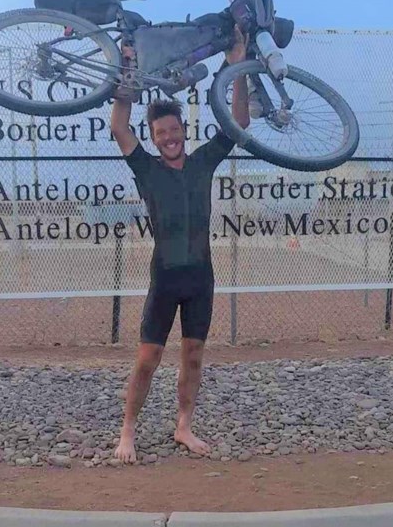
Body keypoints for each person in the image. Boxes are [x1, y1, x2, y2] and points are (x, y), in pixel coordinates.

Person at [110, 26, 250, 463]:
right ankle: (127, 433)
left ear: (182, 130)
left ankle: (183, 427)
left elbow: (240, 122)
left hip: (200, 279)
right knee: (148, 358)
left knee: (193, 357)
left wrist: (239, 63)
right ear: (152, 136)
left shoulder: (204, 161)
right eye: (160, 133)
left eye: (173, 130)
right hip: (166, 279)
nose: (168, 137)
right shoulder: (147, 169)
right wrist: (128, 67)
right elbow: (118, 124)